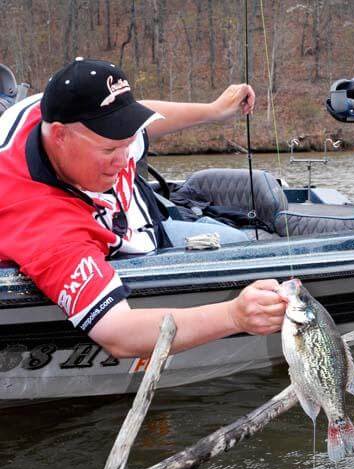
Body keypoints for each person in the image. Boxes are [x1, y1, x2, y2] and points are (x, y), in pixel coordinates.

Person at [0, 58, 287, 358]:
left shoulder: (50, 111)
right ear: (59, 136)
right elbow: (118, 332)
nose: (125, 159)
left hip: (140, 218)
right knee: (240, 247)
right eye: (110, 149)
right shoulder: (40, 224)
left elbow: (145, 123)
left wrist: (214, 110)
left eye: (128, 139)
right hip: (98, 241)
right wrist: (234, 316)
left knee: (240, 246)